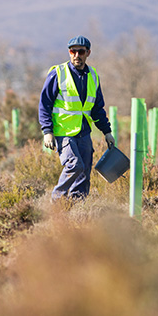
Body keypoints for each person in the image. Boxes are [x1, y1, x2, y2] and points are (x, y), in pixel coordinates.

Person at [38, 35, 115, 200]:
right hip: (63, 131)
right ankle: (56, 202)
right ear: (69, 52)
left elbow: (97, 109)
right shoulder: (57, 73)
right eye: (73, 51)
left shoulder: (93, 76)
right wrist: (47, 131)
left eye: (81, 52)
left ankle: (77, 208)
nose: (76, 55)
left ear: (88, 53)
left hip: (83, 131)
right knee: (74, 165)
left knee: (84, 171)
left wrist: (107, 131)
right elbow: (44, 104)